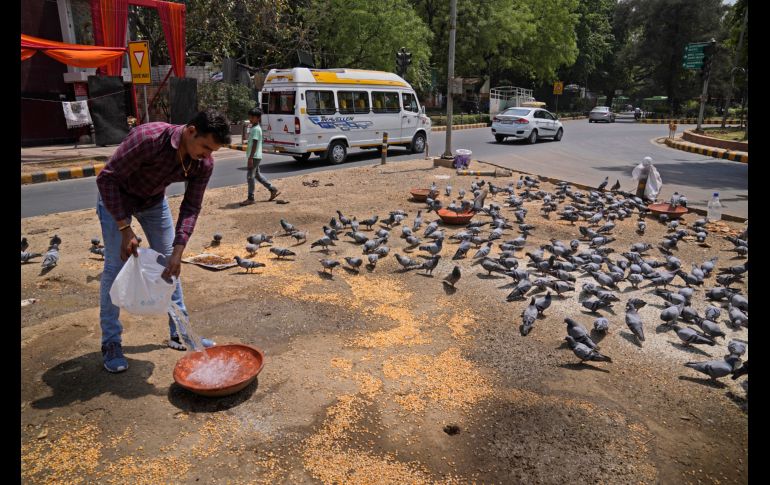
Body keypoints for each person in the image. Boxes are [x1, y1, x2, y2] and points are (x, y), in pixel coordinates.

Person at [95, 109, 231, 373]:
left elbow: (191, 206)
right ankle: (111, 343)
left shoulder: (203, 163)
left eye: (212, 151)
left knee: (171, 266)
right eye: (205, 147)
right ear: (191, 131)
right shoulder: (149, 139)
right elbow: (106, 178)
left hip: (153, 203)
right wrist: (125, 228)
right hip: (116, 199)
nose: (207, 155)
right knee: (114, 267)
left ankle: (181, 333)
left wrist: (178, 250)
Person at [240, 107, 279, 205]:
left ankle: (250, 198)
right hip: (255, 156)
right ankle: (272, 189)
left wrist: (250, 158)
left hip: (255, 156)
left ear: (258, 118)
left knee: (250, 177)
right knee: (257, 175)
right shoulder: (254, 128)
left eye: (252, 117)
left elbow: (255, 143)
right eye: (250, 117)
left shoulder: (256, 129)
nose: (250, 119)